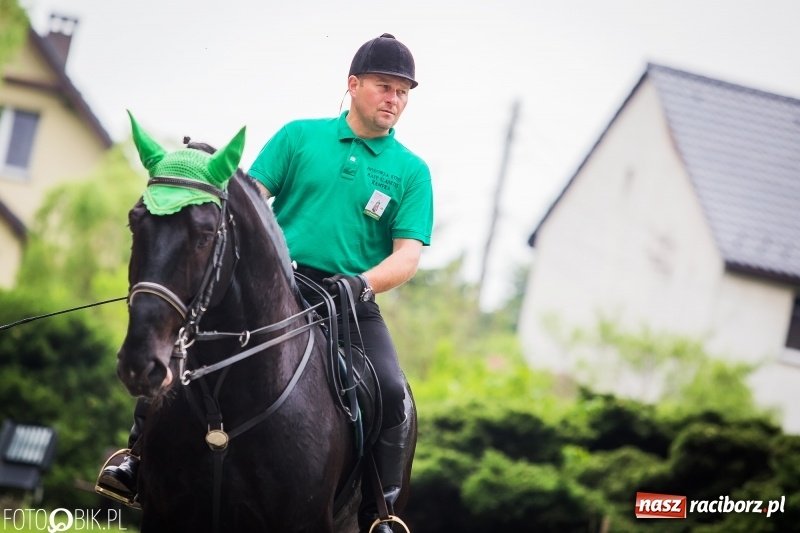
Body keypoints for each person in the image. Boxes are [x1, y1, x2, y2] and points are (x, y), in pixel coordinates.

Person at [248, 33, 433, 532]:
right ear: (353, 85)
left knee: (392, 389)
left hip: (350, 298)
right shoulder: (298, 137)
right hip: (277, 284)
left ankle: (381, 513)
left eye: (403, 92)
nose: (394, 99)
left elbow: (408, 256)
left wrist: (359, 284)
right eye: (383, 86)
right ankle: (135, 458)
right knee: (190, 337)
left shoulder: (411, 172)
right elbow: (249, 200)